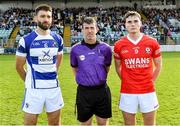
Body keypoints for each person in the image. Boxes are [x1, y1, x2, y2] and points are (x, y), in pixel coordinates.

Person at [15, 4, 64, 125]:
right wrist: (29, 81)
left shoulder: (58, 39)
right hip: (34, 90)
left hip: (53, 88)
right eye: (42, 16)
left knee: (55, 124)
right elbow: (19, 67)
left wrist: (52, 74)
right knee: (30, 124)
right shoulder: (26, 40)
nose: (46, 19)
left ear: (52, 19)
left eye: (48, 16)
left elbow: (59, 59)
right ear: (36, 18)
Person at [114, 11, 162, 125]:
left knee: (150, 124)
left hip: (148, 91)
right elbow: (117, 68)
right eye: (129, 22)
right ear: (125, 25)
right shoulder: (119, 45)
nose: (132, 24)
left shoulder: (152, 42)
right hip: (128, 91)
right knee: (129, 124)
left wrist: (151, 81)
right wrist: (127, 80)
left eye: (135, 21)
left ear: (140, 23)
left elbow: (159, 65)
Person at [70, 17, 112, 125]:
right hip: (84, 92)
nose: (89, 31)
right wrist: (81, 80)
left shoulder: (106, 48)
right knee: (85, 124)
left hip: (102, 91)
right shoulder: (75, 49)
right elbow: (74, 67)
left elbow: (107, 67)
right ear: (82, 29)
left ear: (97, 29)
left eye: (92, 28)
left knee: (103, 124)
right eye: (86, 28)